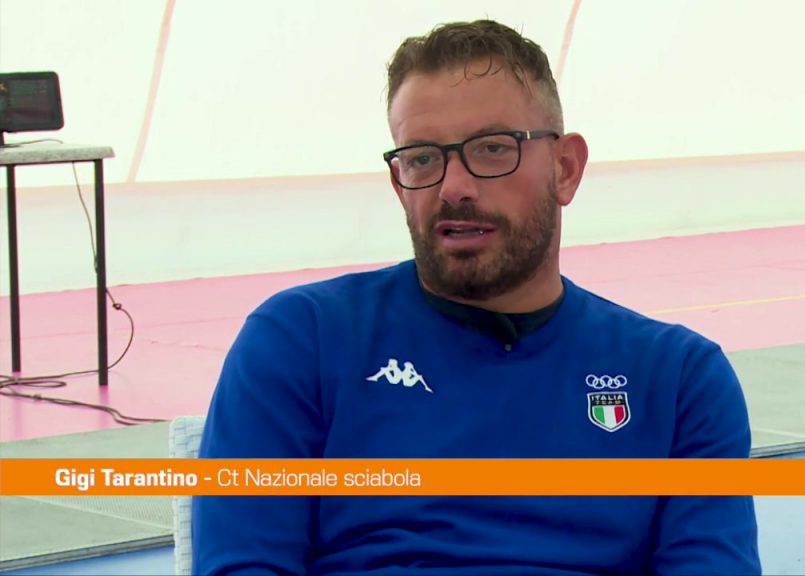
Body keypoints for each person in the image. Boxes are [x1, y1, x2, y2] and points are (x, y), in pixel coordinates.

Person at [194, 19, 760, 576]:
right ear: (399, 185)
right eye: (422, 157)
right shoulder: (300, 339)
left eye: (492, 149)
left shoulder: (680, 379)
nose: (453, 187)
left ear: (565, 169)